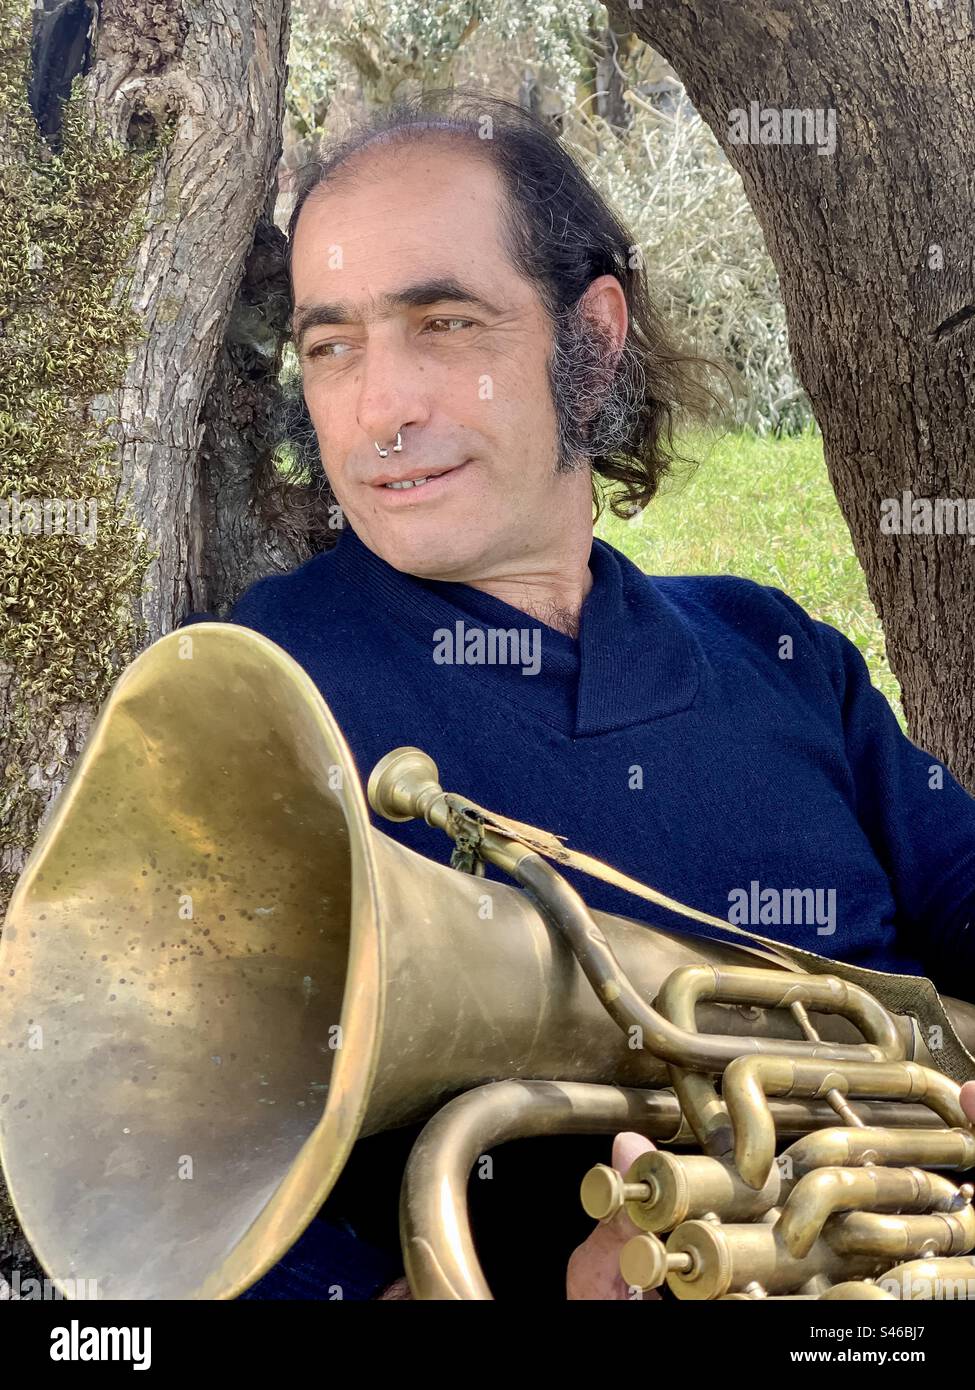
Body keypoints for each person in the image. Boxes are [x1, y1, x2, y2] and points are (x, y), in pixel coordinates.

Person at [189, 92, 975, 1299]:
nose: (380, 408)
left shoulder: (771, 643)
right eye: (330, 344)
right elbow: (182, 1173)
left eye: (443, 323)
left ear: (592, 340)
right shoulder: (259, 691)